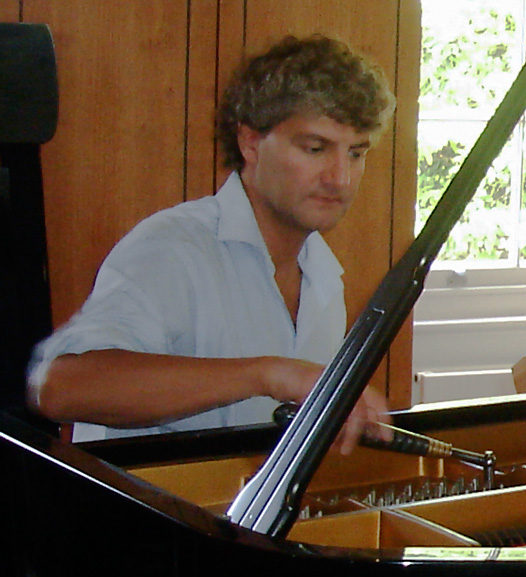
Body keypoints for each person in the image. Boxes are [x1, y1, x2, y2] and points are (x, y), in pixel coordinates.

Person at [28, 35, 396, 453]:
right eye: (316, 148)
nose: (340, 179)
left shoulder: (324, 278)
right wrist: (268, 374)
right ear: (250, 142)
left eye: (356, 154)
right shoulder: (172, 248)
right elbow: (59, 387)